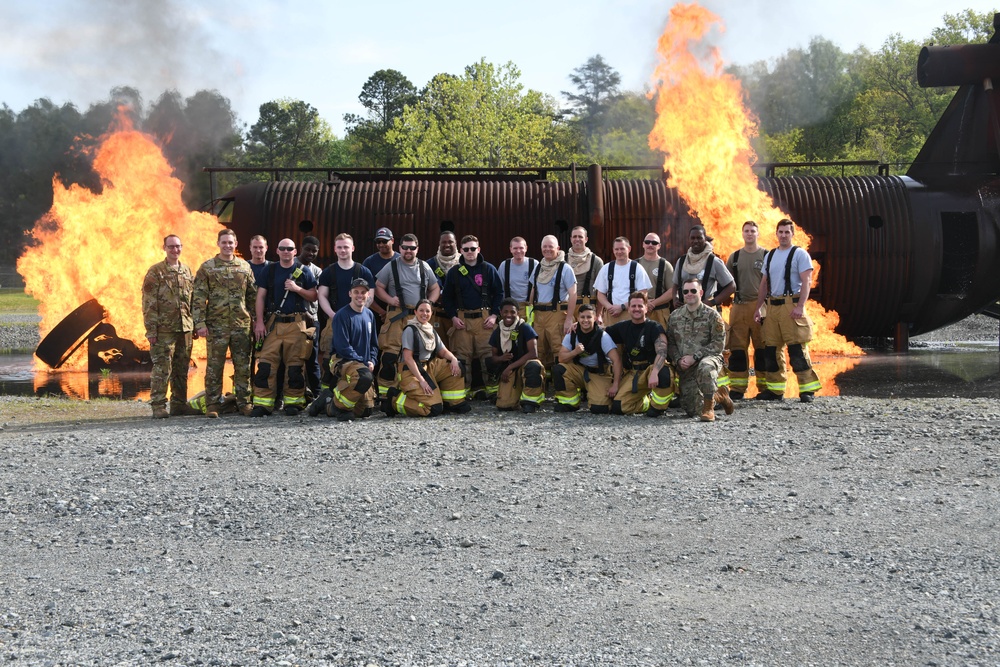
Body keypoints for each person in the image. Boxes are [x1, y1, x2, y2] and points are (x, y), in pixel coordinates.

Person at [753, 219, 822, 403]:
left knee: (796, 349)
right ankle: (776, 390)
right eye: (780, 232)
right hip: (772, 306)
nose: (783, 235)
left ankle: (807, 389)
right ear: (776, 234)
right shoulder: (771, 255)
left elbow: (807, 281)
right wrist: (759, 307)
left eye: (787, 232)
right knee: (771, 350)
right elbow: (763, 284)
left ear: (792, 234)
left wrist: (800, 306)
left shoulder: (800, 254)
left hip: (791, 305)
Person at [192, 228, 257, 418]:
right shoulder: (207, 268)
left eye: (231, 243)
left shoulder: (244, 267)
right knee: (214, 367)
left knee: (243, 366)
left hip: (241, 326)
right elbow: (198, 298)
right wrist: (200, 323)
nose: (227, 246)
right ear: (218, 244)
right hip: (216, 326)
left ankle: (244, 402)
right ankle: (213, 404)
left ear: (236, 244)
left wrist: (255, 320)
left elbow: (252, 296)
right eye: (224, 242)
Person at [251, 238, 318, 416]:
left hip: (297, 323)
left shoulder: (303, 271)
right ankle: (263, 403)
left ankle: (293, 403)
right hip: (274, 323)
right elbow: (260, 297)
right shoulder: (269, 270)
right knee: (266, 364)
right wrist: (259, 322)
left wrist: (297, 289)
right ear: (277, 251)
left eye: (290, 249)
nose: (286, 251)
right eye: (283, 248)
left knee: (295, 365)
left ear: (295, 252)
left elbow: (313, 295)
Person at [311, 233, 375, 415]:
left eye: (346, 247)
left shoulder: (363, 271)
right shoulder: (329, 272)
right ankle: (327, 396)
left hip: (358, 320)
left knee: (355, 364)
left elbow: (370, 294)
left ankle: (343, 397)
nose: (342, 250)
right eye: (339, 247)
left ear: (352, 248)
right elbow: (321, 295)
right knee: (330, 363)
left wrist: (360, 312)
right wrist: (333, 314)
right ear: (334, 249)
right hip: (335, 320)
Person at [374, 234, 440, 399]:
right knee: (390, 355)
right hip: (397, 316)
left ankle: (412, 390)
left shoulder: (424, 267)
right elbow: (378, 287)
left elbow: (435, 288)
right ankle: (385, 395)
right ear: (399, 248)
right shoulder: (391, 266)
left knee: (418, 355)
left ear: (417, 249)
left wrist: (428, 305)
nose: (408, 251)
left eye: (412, 248)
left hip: (419, 318)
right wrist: (389, 299)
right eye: (405, 247)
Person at [382, 299, 470, 417]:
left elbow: (442, 351)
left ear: (431, 313)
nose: (425, 314)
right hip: (411, 371)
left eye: (427, 311)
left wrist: (454, 359)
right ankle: (394, 400)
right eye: (421, 310)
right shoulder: (410, 330)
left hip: (428, 367)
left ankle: (453, 403)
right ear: (415, 312)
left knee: (457, 366)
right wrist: (422, 381)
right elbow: (408, 359)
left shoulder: (430, 329)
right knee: (433, 409)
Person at [443, 235, 503, 399]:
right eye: (466, 249)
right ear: (461, 251)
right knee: (462, 358)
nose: (470, 252)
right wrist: (453, 317)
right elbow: (446, 298)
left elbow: (499, 293)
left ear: (479, 249)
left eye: (473, 248)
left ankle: (493, 391)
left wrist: (494, 316)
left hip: (485, 319)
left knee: (488, 357)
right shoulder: (454, 272)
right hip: (462, 320)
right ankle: (463, 392)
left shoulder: (489, 269)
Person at [142, 234, 194, 418]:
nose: (175, 250)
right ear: (164, 248)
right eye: (171, 246)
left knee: (181, 368)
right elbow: (149, 303)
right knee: (162, 368)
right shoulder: (155, 272)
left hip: (185, 328)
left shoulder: (187, 271)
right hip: (164, 329)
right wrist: (151, 330)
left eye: (178, 246)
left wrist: (193, 324)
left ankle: (179, 404)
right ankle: (158, 406)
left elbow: (192, 300)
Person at [668, 278, 734, 421]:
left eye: (693, 291)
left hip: (708, 359)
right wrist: (678, 360)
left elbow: (718, 344)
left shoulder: (712, 315)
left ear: (701, 292)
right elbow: (671, 344)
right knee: (693, 410)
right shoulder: (675, 316)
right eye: (686, 291)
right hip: (686, 366)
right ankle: (720, 396)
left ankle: (709, 409)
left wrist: (695, 357)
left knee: (705, 368)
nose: (689, 294)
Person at [725, 220, 773, 399]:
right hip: (739, 306)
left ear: (758, 234)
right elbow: (727, 282)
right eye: (746, 231)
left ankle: (765, 387)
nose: (749, 234)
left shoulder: (767, 255)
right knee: (737, 349)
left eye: (753, 231)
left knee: (762, 348)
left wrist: (763, 306)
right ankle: (737, 388)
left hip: (761, 306)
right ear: (742, 233)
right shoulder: (734, 257)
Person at [606, 291, 673, 416]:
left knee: (664, 373)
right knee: (618, 407)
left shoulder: (654, 327)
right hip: (633, 372)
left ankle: (658, 406)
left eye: (640, 306)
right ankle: (646, 402)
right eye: (633, 306)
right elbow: (600, 334)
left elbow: (662, 352)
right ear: (629, 309)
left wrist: (654, 373)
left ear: (646, 308)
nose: (637, 309)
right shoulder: (623, 327)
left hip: (651, 369)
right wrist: (581, 325)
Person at [552, 304, 621, 414]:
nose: (585, 320)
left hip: (599, 373)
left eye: (589, 317)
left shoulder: (603, 336)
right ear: (578, 318)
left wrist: (615, 385)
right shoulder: (572, 334)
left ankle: (594, 393)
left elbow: (616, 360)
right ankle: (570, 403)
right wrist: (574, 352)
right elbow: (561, 358)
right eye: (582, 317)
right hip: (579, 370)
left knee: (599, 409)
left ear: (594, 318)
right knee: (559, 369)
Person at [327, 278, 379, 421]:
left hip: (363, 363)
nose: (359, 295)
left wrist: (372, 360)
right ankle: (335, 407)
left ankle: (326, 400)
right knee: (364, 376)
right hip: (342, 359)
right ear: (350, 293)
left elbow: (374, 344)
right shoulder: (341, 315)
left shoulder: (369, 315)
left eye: (363, 292)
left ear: (368, 295)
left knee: (366, 411)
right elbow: (343, 346)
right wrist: (363, 362)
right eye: (356, 292)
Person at [526, 235, 576, 368]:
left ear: (558, 248)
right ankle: (542, 384)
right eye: (544, 247)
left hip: (557, 315)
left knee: (558, 349)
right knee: (539, 350)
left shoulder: (565, 269)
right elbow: (533, 291)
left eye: (550, 247)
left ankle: (562, 384)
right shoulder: (538, 267)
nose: (547, 249)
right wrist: (529, 317)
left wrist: (569, 319)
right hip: (538, 316)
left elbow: (573, 295)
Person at [487, 298, 544, 412]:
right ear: (501, 313)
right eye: (505, 312)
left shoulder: (525, 328)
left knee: (534, 366)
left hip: (522, 366)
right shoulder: (497, 331)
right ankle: (514, 396)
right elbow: (493, 358)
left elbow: (533, 353)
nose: (509, 315)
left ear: (517, 313)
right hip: (509, 370)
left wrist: (510, 367)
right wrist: (501, 358)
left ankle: (530, 402)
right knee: (504, 406)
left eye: (512, 312)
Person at [672, 225, 735, 309]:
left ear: (705, 239)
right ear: (689, 239)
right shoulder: (682, 261)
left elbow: (732, 286)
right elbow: (675, 284)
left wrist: (712, 302)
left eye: (699, 238)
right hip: (684, 312)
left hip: (706, 313)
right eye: (693, 238)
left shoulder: (713, 262)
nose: (696, 241)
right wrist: (675, 299)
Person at [595, 237, 652, 327]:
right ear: (613, 250)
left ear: (629, 249)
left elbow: (643, 293)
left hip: (632, 314)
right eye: (616, 249)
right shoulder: (606, 268)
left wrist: (622, 307)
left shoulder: (637, 268)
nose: (619, 252)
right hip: (611, 314)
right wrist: (610, 307)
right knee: (611, 340)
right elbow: (600, 294)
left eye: (622, 249)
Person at [299, 235, 323, 399]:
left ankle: (316, 394)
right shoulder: (290, 265)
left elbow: (318, 296)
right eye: (307, 249)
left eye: (314, 251)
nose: (310, 253)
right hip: (294, 319)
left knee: (312, 359)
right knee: (292, 359)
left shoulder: (317, 271)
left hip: (312, 320)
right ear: (301, 248)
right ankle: (291, 393)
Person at [636, 232, 674, 330]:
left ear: (659, 246)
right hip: (638, 312)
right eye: (647, 242)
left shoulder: (665, 265)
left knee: (661, 343)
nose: (650, 245)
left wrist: (653, 304)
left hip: (660, 313)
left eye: (654, 243)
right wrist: (643, 303)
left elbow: (672, 291)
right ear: (643, 244)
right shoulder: (634, 265)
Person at [567, 226, 604, 322]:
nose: (577, 239)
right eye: (574, 237)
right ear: (571, 239)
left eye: (580, 236)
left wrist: (599, 314)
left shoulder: (596, 261)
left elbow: (602, 290)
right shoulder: (563, 260)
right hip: (565, 310)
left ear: (586, 239)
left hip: (589, 310)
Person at [426, 231, 460, 333]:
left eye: (450, 242)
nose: (447, 245)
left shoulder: (464, 263)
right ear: (439, 244)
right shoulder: (429, 264)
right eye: (443, 242)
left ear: (456, 243)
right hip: (437, 315)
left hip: (459, 316)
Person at [497, 236, 537, 318]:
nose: (518, 251)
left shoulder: (534, 264)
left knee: (528, 330)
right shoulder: (504, 265)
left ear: (526, 248)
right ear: (510, 249)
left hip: (530, 307)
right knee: (511, 331)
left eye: (521, 248)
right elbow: (499, 289)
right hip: (510, 308)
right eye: (515, 248)